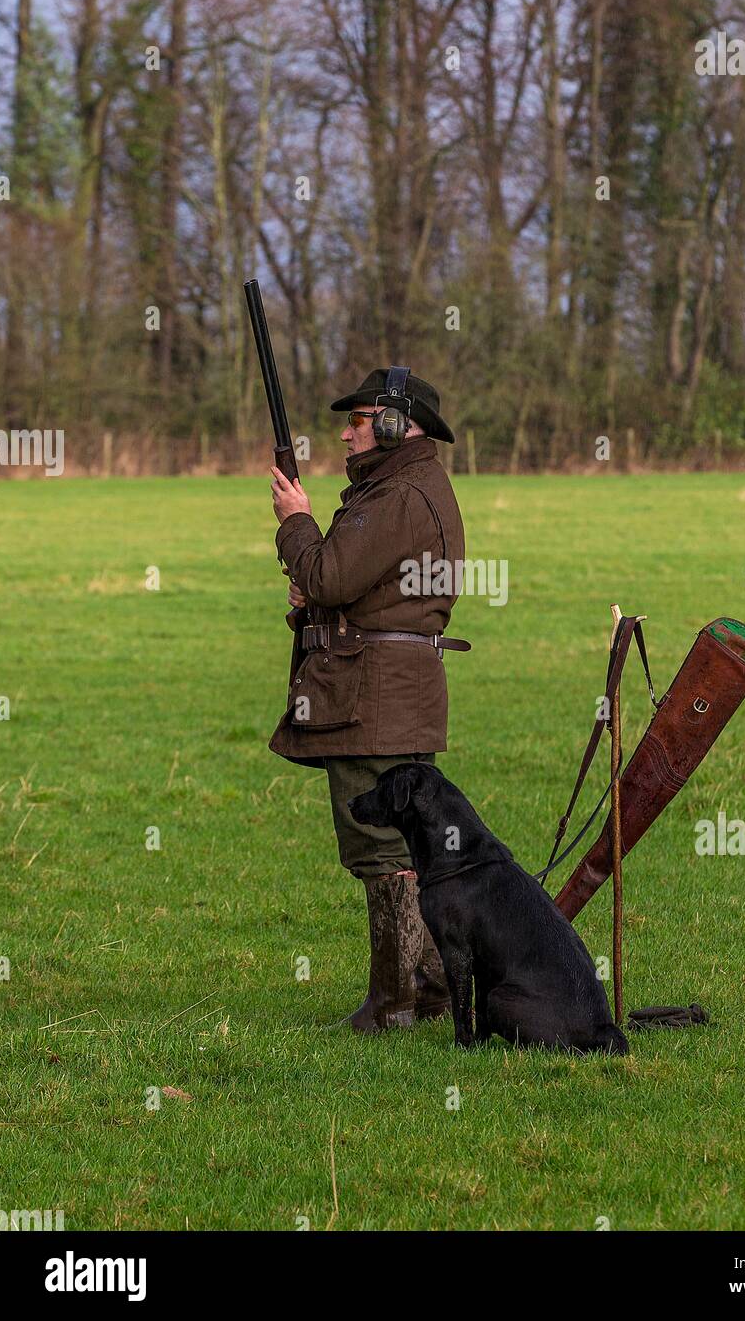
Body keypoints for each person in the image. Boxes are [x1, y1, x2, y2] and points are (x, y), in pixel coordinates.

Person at [268, 368, 468, 1032]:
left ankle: (393, 1005)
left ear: (393, 425)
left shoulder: (399, 494)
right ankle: (434, 986)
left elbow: (329, 574)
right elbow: (347, 585)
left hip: (372, 695)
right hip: (389, 688)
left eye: (357, 420)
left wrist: (295, 524)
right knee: (400, 845)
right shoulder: (403, 486)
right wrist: (316, 592)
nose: (345, 432)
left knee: (379, 848)